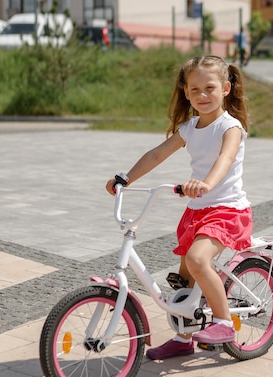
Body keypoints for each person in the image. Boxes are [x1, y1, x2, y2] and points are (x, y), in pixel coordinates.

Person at [105, 55, 252, 360]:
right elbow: (158, 154)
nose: (202, 95)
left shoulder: (230, 126)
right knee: (185, 281)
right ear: (186, 92)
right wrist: (126, 178)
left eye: (209, 88)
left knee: (198, 261)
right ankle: (184, 338)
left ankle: (224, 323)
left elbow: (224, 160)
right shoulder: (190, 127)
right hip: (197, 211)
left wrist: (206, 184)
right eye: (195, 89)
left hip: (226, 210)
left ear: (225, 88)